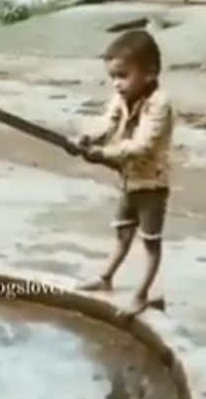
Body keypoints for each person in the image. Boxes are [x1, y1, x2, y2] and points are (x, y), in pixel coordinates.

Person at [73, 30, 174, 317]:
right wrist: (88, 139)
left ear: (151, 73)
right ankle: (105, 278)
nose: (117, 84)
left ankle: (141, 295)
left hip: (152, 184)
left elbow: (143, 146)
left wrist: (103, 154)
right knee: (122, 232)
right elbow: (107, 123)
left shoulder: (159, 104)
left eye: (123, 75)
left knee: (151, 242)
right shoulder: (122, 98)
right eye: (113, 77)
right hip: (129, 180)